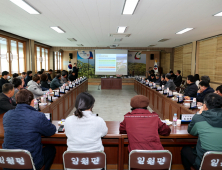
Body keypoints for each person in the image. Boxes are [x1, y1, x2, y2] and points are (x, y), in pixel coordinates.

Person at [3, 89, 56, 170]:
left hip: (9, 163)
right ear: (32, 101)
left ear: (16, 102)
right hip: (30, 163)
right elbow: (51, 131)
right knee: (51, 149)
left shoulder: (7, 115)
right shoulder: (38, 116)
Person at [181, 93, 222, 170]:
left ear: (205, 106)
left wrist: (199, 113)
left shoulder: (199, 118)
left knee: (185, 150)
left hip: (204, 163)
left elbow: (191, 132)